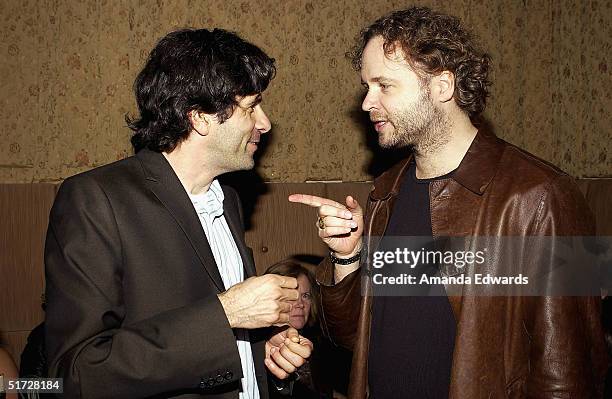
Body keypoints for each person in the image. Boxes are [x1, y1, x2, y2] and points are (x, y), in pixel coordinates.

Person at [289, 6, 608, 399]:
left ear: (442, 86)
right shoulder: (386, 192)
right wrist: (348, 257)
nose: (366, 103)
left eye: (383, 85)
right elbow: (354, 340)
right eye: (366, 86)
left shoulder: (542, 195)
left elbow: (570, 369)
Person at [45, 28, 311, 399]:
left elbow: (216, 341)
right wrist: (226, 315)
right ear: (200, 117)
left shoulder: (228, 198)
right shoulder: (96, 199)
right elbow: (75, 375)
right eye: (252, 107)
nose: (265, 123)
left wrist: (258, 354)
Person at [264, 262, 331, 399]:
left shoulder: (321, 341)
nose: (300, 304)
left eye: (305, 296)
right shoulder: (256, 345)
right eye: (291, 297)